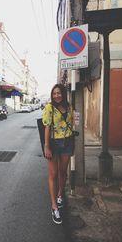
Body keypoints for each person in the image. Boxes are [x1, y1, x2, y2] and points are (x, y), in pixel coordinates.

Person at [42, 83, 74, 224]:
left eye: (59, 93)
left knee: (63, 172)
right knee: (53, 174)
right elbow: (47, 127)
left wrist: (73, 143)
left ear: (63, 94)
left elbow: (72, 124)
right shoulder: (49, 108)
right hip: (54, 144)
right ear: (52, 94)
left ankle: (60, 194)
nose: (57, 95)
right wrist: (47, 146)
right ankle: (54, 206)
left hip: (67, 142)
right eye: (54, 93)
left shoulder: (69, 107)